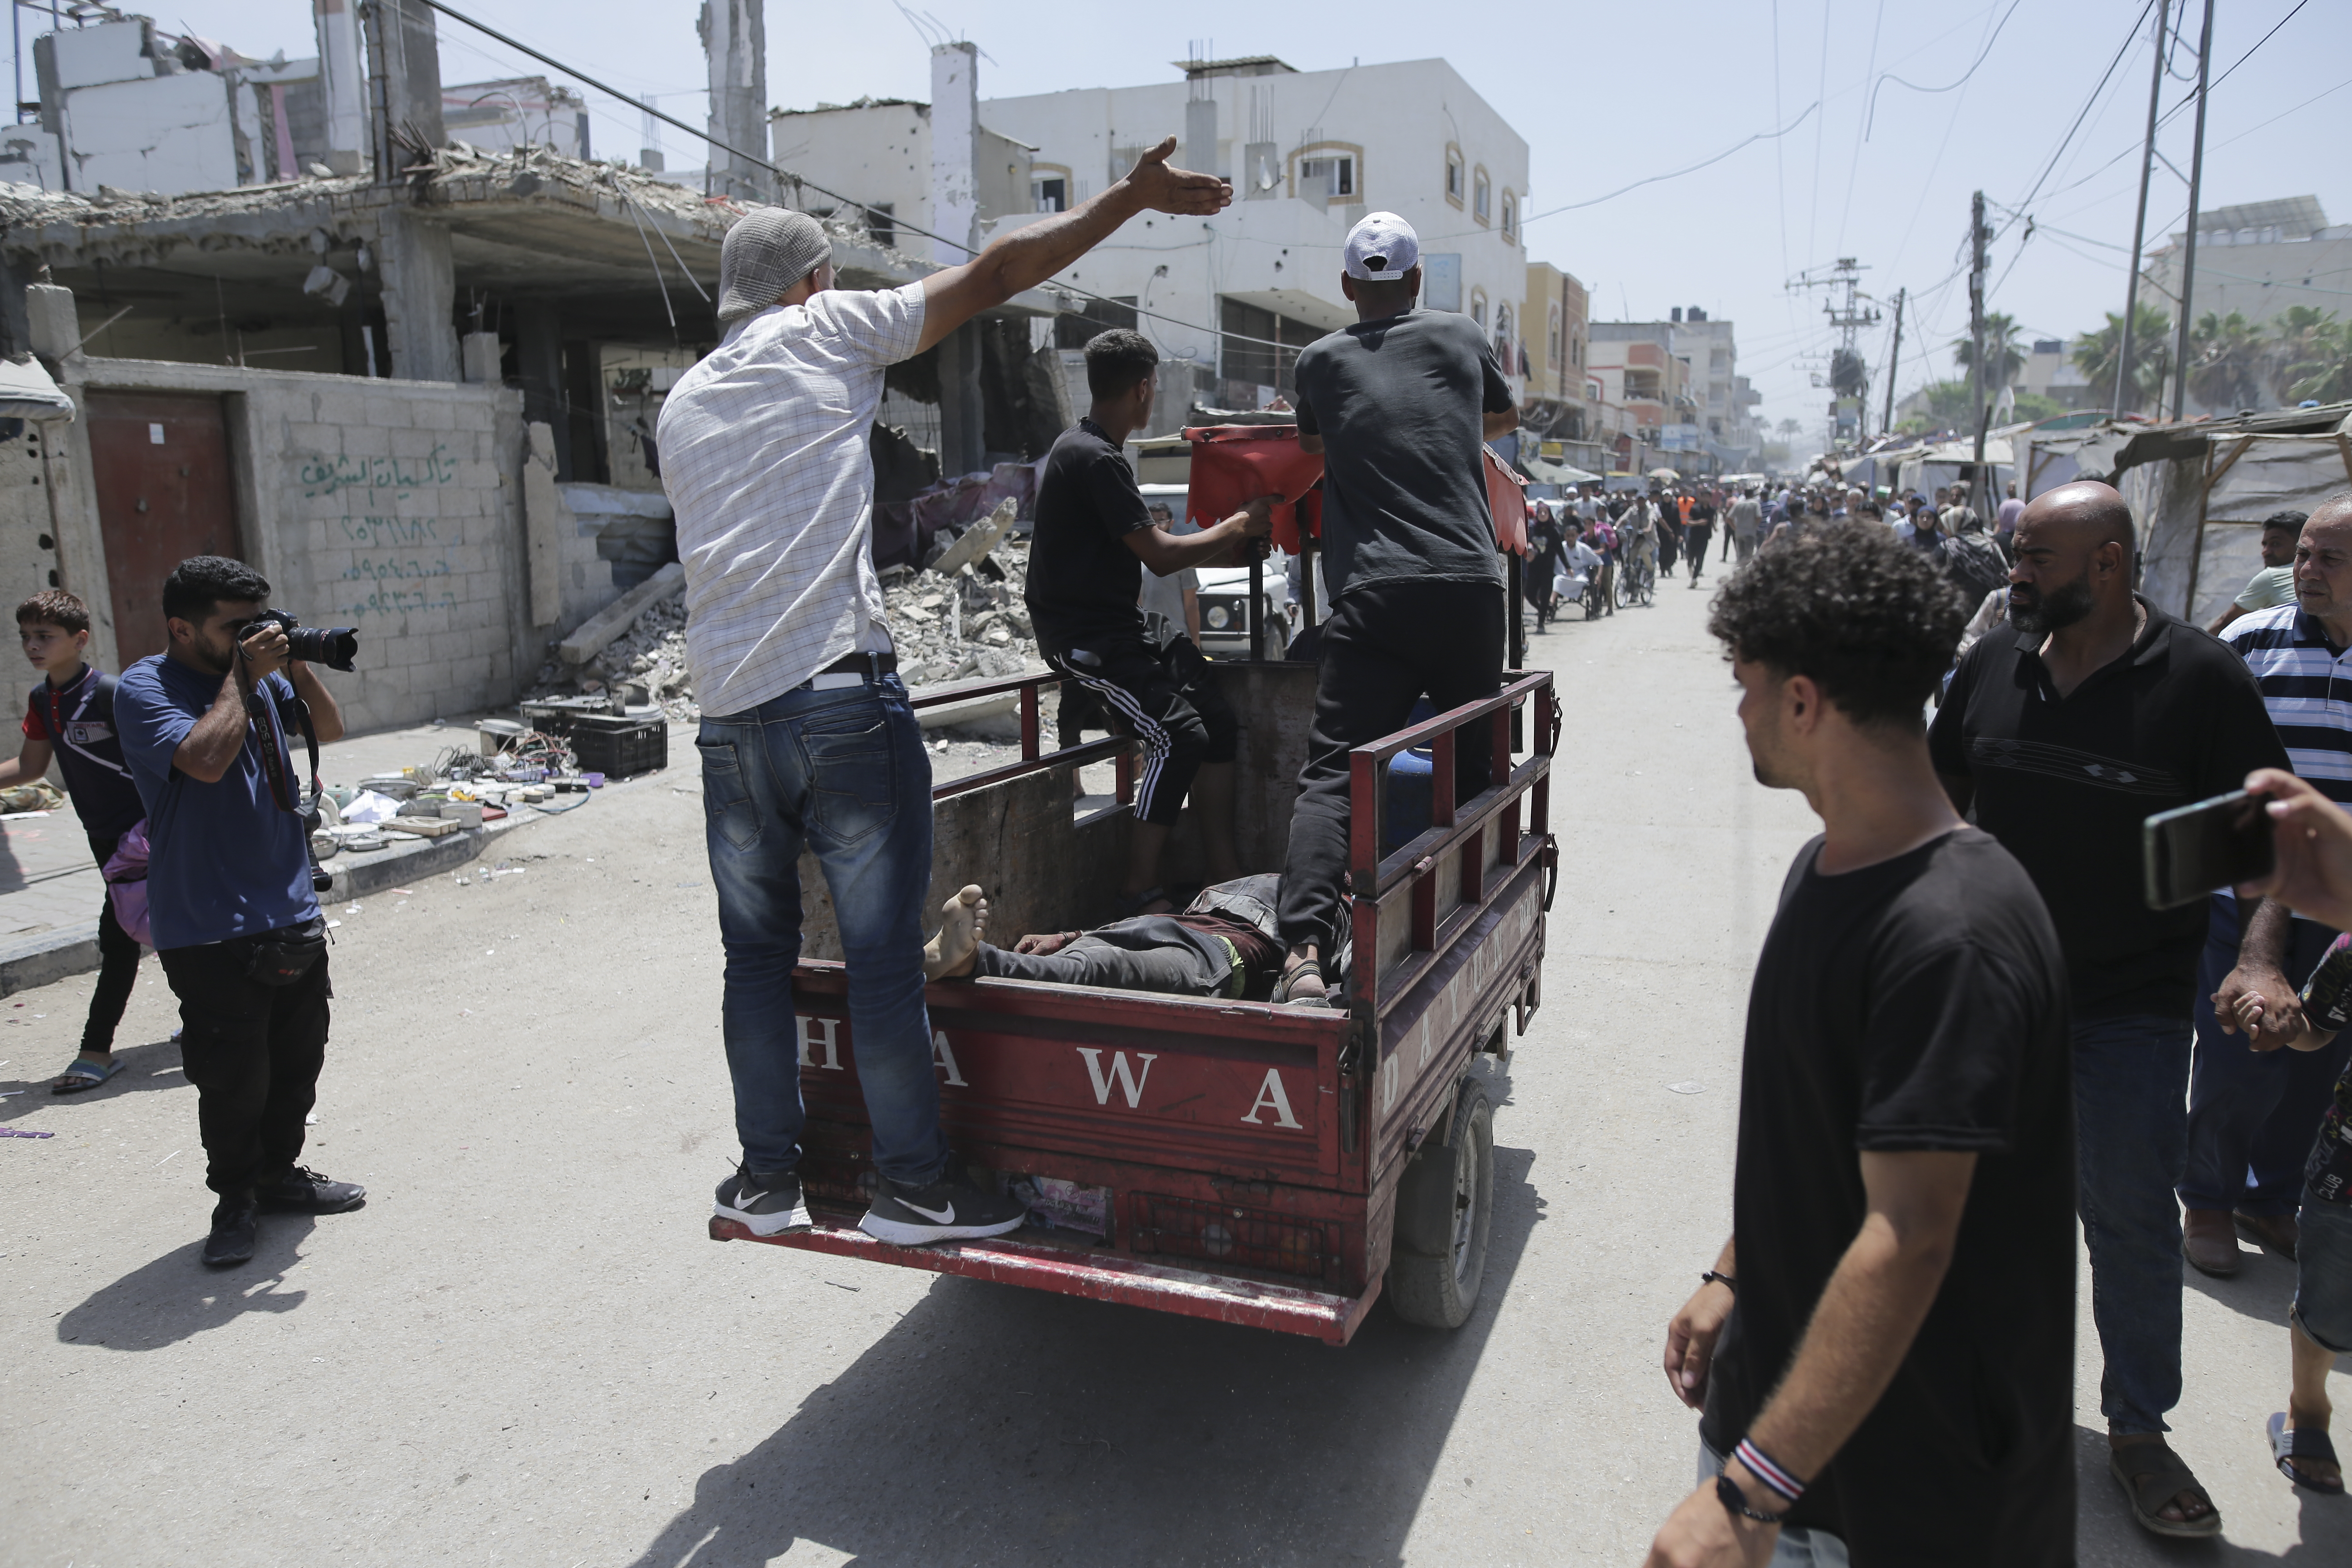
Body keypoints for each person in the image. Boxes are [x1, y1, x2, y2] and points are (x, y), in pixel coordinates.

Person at [658, 138, 1231, 1246]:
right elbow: (1001, 271)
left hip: (727, 720)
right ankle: (914, 1191)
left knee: (753, 962)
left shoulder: (683, 401)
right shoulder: (821, 329)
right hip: (834, 695)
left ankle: (765, 1181)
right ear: (809, 282)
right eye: (829, 278)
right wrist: (1128, 197)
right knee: (882, 962)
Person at [1646, 522, 2073, 1567]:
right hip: (1784, 1431)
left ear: (1802, 701)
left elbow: (1910, 1233)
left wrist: (1749, 1493)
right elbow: (1820, 1134)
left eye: (1746, 687)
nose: (1738, 713)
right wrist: (1735, 1274)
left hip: (1896, 1495)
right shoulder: (1825, 867)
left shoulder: (1952, 932)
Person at [1928, 480, 2291, 1539]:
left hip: (2126, 1005)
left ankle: (2137, 1427)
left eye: (2034, 556)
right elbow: (1938, 800)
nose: (2014, 572)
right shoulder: (1994, 664)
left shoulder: (2198, 679)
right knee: (1967, 1210)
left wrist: (2260, 960)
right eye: (2015, 553)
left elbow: (2258, 843)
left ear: (2108, 562)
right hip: (1989, 993)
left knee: (2128, 1220)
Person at [1272, 211, 1514, 1007]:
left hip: (1372, 593)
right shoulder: (1461, 336)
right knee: (1473, 769)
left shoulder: (1318, 361)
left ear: (1347, 286)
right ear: (1415, 280)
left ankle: (1303, 955)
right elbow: (1502, 418)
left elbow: (1312, 446)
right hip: (1468, 588)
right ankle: (1454, 919)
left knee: (1333, 775)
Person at [113, 556, 358, 1269]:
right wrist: (246, 677)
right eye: (236, 628)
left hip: (289, 904)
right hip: (206, 920)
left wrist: (294, 664)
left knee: (297, 1061)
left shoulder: (263, 676)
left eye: (261, 623)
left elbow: (331, 728)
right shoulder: (145, 688)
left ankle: (279, 1177)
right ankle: (235, 1201)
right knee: (232, 1077)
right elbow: (205, 760)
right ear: (182, 628)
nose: (253, 637)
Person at [1029, 328, 1270, 914]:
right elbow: (1161, 555)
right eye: (1155, 385)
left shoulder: (1097, 453)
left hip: (1121, 626)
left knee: (1215, 720)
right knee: (1176, 734)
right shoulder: (1092, 457)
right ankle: (1137, 888)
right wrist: (1239, 524)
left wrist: (1234, 543)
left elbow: (1149, 550)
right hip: (1083, 638)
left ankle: (1221, 869)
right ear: (1143, 388)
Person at [2189, 497, 2352, 1274]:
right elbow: (2200, 764)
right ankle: (2208, 1200)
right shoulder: (2249, 642)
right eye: (2303, 555)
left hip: (2340, 902)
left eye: (2328, 559)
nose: (2305, 570)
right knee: (2235, 1050)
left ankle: (2270, 1197)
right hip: (2245, 893)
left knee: (2317, 1058)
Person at [0, 591, 149, 1093]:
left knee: (121, 934)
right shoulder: (43, 699)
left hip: (145, 835)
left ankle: (95, 1050)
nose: (32, 646)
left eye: (45, 636)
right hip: (102, 837)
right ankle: (210, 1017)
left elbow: (162, 758)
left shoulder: (111, 694)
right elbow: (31, 766)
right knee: (159, 925)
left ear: (80, 639)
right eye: (26, 637)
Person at [2223, 934, 2352, 1494]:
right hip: (2347, 1173)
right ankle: (2309, 1408)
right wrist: (2280, 1025)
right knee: (2329, 1305)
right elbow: (2317, 1024)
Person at [923, 873, 1305, 1000]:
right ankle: (961, 958)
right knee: (1085, 957)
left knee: (1099, 967)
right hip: (1164, 927)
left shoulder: (1318, 903)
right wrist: (1069, 935)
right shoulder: (1296, 884)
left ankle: (975, 960)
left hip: (1209, 952)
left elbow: (1311, 966)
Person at [2207, 510, 2307, 636]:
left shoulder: (2272, 576)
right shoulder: (2324, 572)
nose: (2265, 552)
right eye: (2265, 545)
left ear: (2302, 544)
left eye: (2276, 544)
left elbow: (2225, 624)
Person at [1137, 501, 1202, 646]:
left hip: (1178, 635)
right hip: (1149, 637)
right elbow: (1138, 604)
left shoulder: (1182, 558)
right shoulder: (1139, 558)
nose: (1157, 526)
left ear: (1171, 523)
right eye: (1152, 522)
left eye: (1161, 521)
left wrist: (1196, 642)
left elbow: (1191, 605)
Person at [1685, 489, 1716, 586]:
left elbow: (1712, 520)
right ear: (1701, 498)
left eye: (1708, 497)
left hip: (1705, 538)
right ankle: (1690, 565)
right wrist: (1699, 523)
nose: (1706, 499)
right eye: (1704, 497)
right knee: (1691, 557)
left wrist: (1714, 527)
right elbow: (1688, 522)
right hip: (1694, 537)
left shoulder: (1712, 510)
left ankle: (1694, 578)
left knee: (1700, 557)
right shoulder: (1695, 509)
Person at [1727, 488, 1762, 566]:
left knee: (1741, 555)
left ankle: (1740, 569)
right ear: (1752, 495)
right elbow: (1759, 517)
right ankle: (1746, 570)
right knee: (1749, 555)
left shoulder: (1738, 504)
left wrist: (1734, 528)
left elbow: (1729, 518)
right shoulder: (1755, 504)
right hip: (1750, 533)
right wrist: (1755, 526)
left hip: (1739, 533)